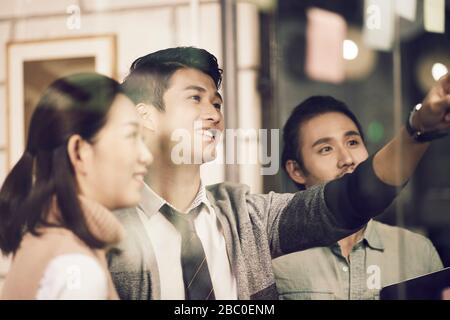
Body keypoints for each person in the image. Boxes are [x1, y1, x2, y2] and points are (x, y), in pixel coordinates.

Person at [108, 46, 450, 300]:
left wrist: (418, 129)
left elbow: (353, 199)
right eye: (194, 99)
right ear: (147, 117)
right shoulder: (107, 231)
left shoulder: (248, 217)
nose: (213, 114)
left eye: (216, 102)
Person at [272, 96, 444, 300]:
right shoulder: (275, 258)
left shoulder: (416, 251)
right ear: (297, 171)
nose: (347, 159)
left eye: (352, 142)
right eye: (325, 149)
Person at [0, 73, 152, 299]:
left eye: (144, 139)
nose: (146, 156)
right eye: (131, 136)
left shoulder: (42, 238)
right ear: (79, 152)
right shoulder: (79, 270)